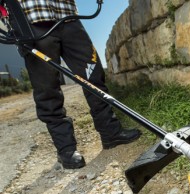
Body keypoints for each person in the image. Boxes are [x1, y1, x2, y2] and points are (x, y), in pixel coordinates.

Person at [12, 0, 141, 169]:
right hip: (31, 20)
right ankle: (66, 149)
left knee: (93, 76)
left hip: (68, 17)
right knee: (47, 89)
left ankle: (111, 132)